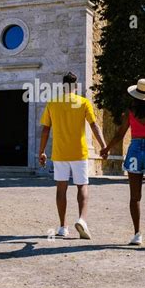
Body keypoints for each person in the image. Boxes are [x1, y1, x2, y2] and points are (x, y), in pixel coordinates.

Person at [100, 78, 145, 248]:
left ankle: (136, 234)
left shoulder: (130, 113)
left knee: (135, 196)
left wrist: (107, 148)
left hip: (134, 151)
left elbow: (120, 135)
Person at [39, 72, 106, 240]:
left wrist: (42, 151)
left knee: (61, 189)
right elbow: (94, 125)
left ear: (63, 86)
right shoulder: (83, 102)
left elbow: (45, 129)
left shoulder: (53, 103)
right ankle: (82, 220)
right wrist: (104, 146)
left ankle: (63, 227)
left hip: (60, 153)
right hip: (79, 152)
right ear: (76, 87)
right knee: (82, 186)